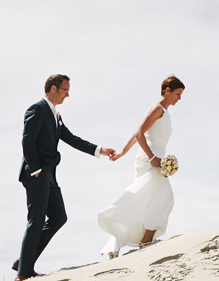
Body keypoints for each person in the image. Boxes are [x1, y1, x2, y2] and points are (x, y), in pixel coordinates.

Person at [15, 74, 116, 280]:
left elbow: (70, 138)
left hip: (50, 175)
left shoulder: (55, 115)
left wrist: (99, 149)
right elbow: (27, 141)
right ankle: (23, 274)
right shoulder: (37, 109)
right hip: (37, 174)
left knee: (59, 217)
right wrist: (36, 170)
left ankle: (24, 260)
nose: (67, 95)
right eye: (65, 90)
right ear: (53, 88)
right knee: (36, 221)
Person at [97, 75, 185, 256]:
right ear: (167, 91)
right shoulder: (157, 108)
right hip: (150, 158)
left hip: (156, 158)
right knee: (164, 197)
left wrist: (123, 151)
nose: (179, 99)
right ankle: (145, 243)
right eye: (177, 94)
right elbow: (139, 133)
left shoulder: (165, 113)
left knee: (145, 199)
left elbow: (139, 132)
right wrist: (151, 156)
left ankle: (116, 245)